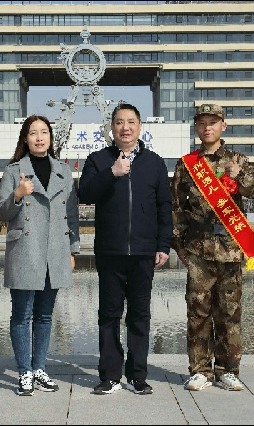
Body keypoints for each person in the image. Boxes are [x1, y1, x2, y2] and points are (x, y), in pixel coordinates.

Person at [78, 103, 172, 395]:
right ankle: (109, 375)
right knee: (109, 314)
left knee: (139, 315)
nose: (125, 127)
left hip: (144, 252)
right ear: (112, 128)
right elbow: (85, 194)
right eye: (119, 122)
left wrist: (163, 245)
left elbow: (164, 207)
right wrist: (112, 173)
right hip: (110, 251)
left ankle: (137, 375)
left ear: (140, 126)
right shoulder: (98, 160)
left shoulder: (154, 163)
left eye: (131, 121)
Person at [171, 104, 254, 392]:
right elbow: (177, 208)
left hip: (230, 248)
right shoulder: (187, 164)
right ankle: (200, 370)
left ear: (224, 125)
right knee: (197, 313)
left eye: (213, 122)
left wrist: (238, 175)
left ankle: (228, 370)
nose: (207, 128)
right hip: (198, 250)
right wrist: (179, 245)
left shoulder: (237, 160)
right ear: (196, 127)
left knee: (229, 313)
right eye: (202, 123)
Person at [0, 115, 80, 396]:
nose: (39, 137)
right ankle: (24, 371)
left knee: (44, 315)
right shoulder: (14, 171)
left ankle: (40, 367)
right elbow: (1, 213)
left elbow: (71, 214)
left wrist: (73, 249)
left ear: (51, 138)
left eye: (44, 132)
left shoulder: (63, 171)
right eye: (33, 133)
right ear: (25, 138)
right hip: (25, 250)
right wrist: (18, 195)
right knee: (22, 315)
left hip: (55, 250)